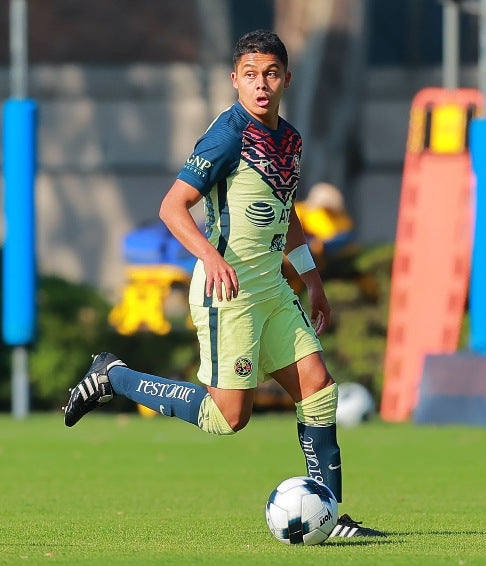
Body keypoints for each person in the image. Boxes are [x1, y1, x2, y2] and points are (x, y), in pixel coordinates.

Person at [63, 29, 384, 538]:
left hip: (274, 293)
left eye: (271, 74)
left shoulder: (290, 140)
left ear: (286, 79)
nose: (261, 85)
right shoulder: (227, 135)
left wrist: (312, 278)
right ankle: (114, 377)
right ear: (235, 79)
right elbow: (172, 207)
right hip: (228, 294)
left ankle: (330, 517)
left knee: (319, 390)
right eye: (251, 75)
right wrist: (211, 257)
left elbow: (287, 214)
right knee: (227, 417)